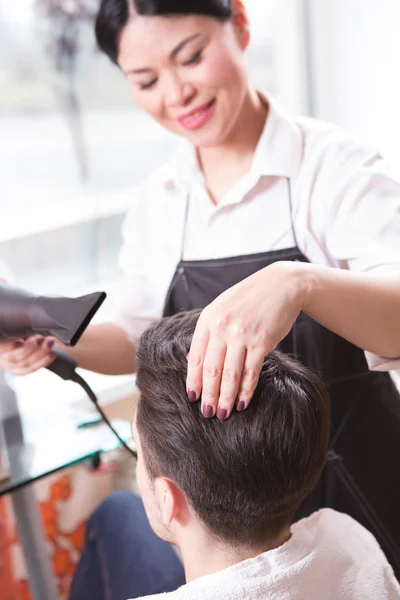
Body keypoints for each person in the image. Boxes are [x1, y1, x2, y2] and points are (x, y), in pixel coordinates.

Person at [1, 0, 400, 578]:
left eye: (190, 57)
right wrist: (54, 342)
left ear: (239, 23)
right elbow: (135, 335)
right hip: (229, 523)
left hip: (359, 495)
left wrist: (300, 284)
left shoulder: (336, 171)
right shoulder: (162, 200)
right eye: (145, 80)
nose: (176, 93)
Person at [70, 310, 400, 599]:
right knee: (117, 510)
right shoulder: (347, 540)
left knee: (116, 512)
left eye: (139, 454)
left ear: (168, 498)